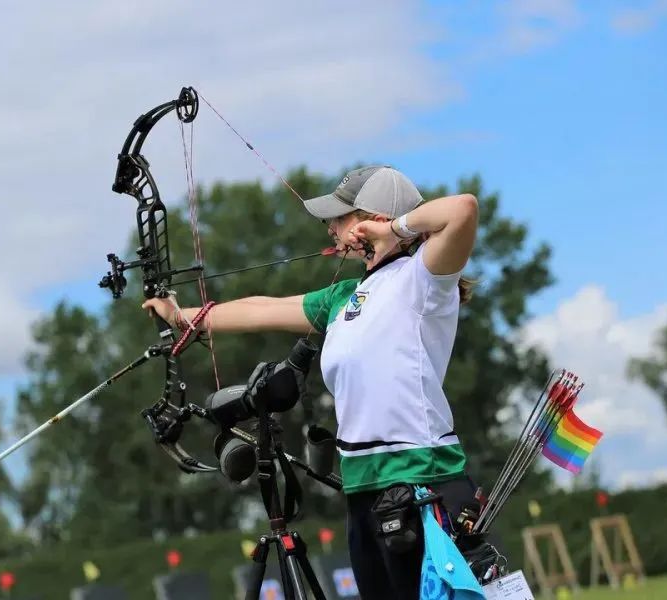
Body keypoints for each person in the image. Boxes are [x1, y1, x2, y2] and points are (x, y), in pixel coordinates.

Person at [143, 165, 481, 599]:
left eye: (340, 219)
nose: (332, 230)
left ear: (371, 218)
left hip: (422, 482)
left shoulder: (424, 278)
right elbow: (262, 309)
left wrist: (394, 229)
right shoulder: (344, 298)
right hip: (364, 490)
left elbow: (463, 209)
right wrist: (182, 315)